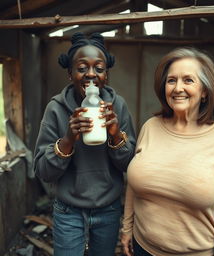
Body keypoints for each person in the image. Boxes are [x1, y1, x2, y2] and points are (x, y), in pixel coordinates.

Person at [121, 47, 214, 256]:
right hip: (142, 248)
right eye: (171, 80)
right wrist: (127, 229)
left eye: (188, 80)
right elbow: (134, 185)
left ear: (205, 91)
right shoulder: (150, 127)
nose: (177, 88)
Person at [33, 32, 136, 256]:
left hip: (109, 209)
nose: (91, 74)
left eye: (98, 68)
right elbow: (43, 171)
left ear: (106, 75)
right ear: (70, 74)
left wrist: (116, 135)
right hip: (67, 210)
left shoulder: (117, 107)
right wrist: (68, 139)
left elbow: (130, 165)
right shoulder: (56, 109)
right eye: (82, 68)